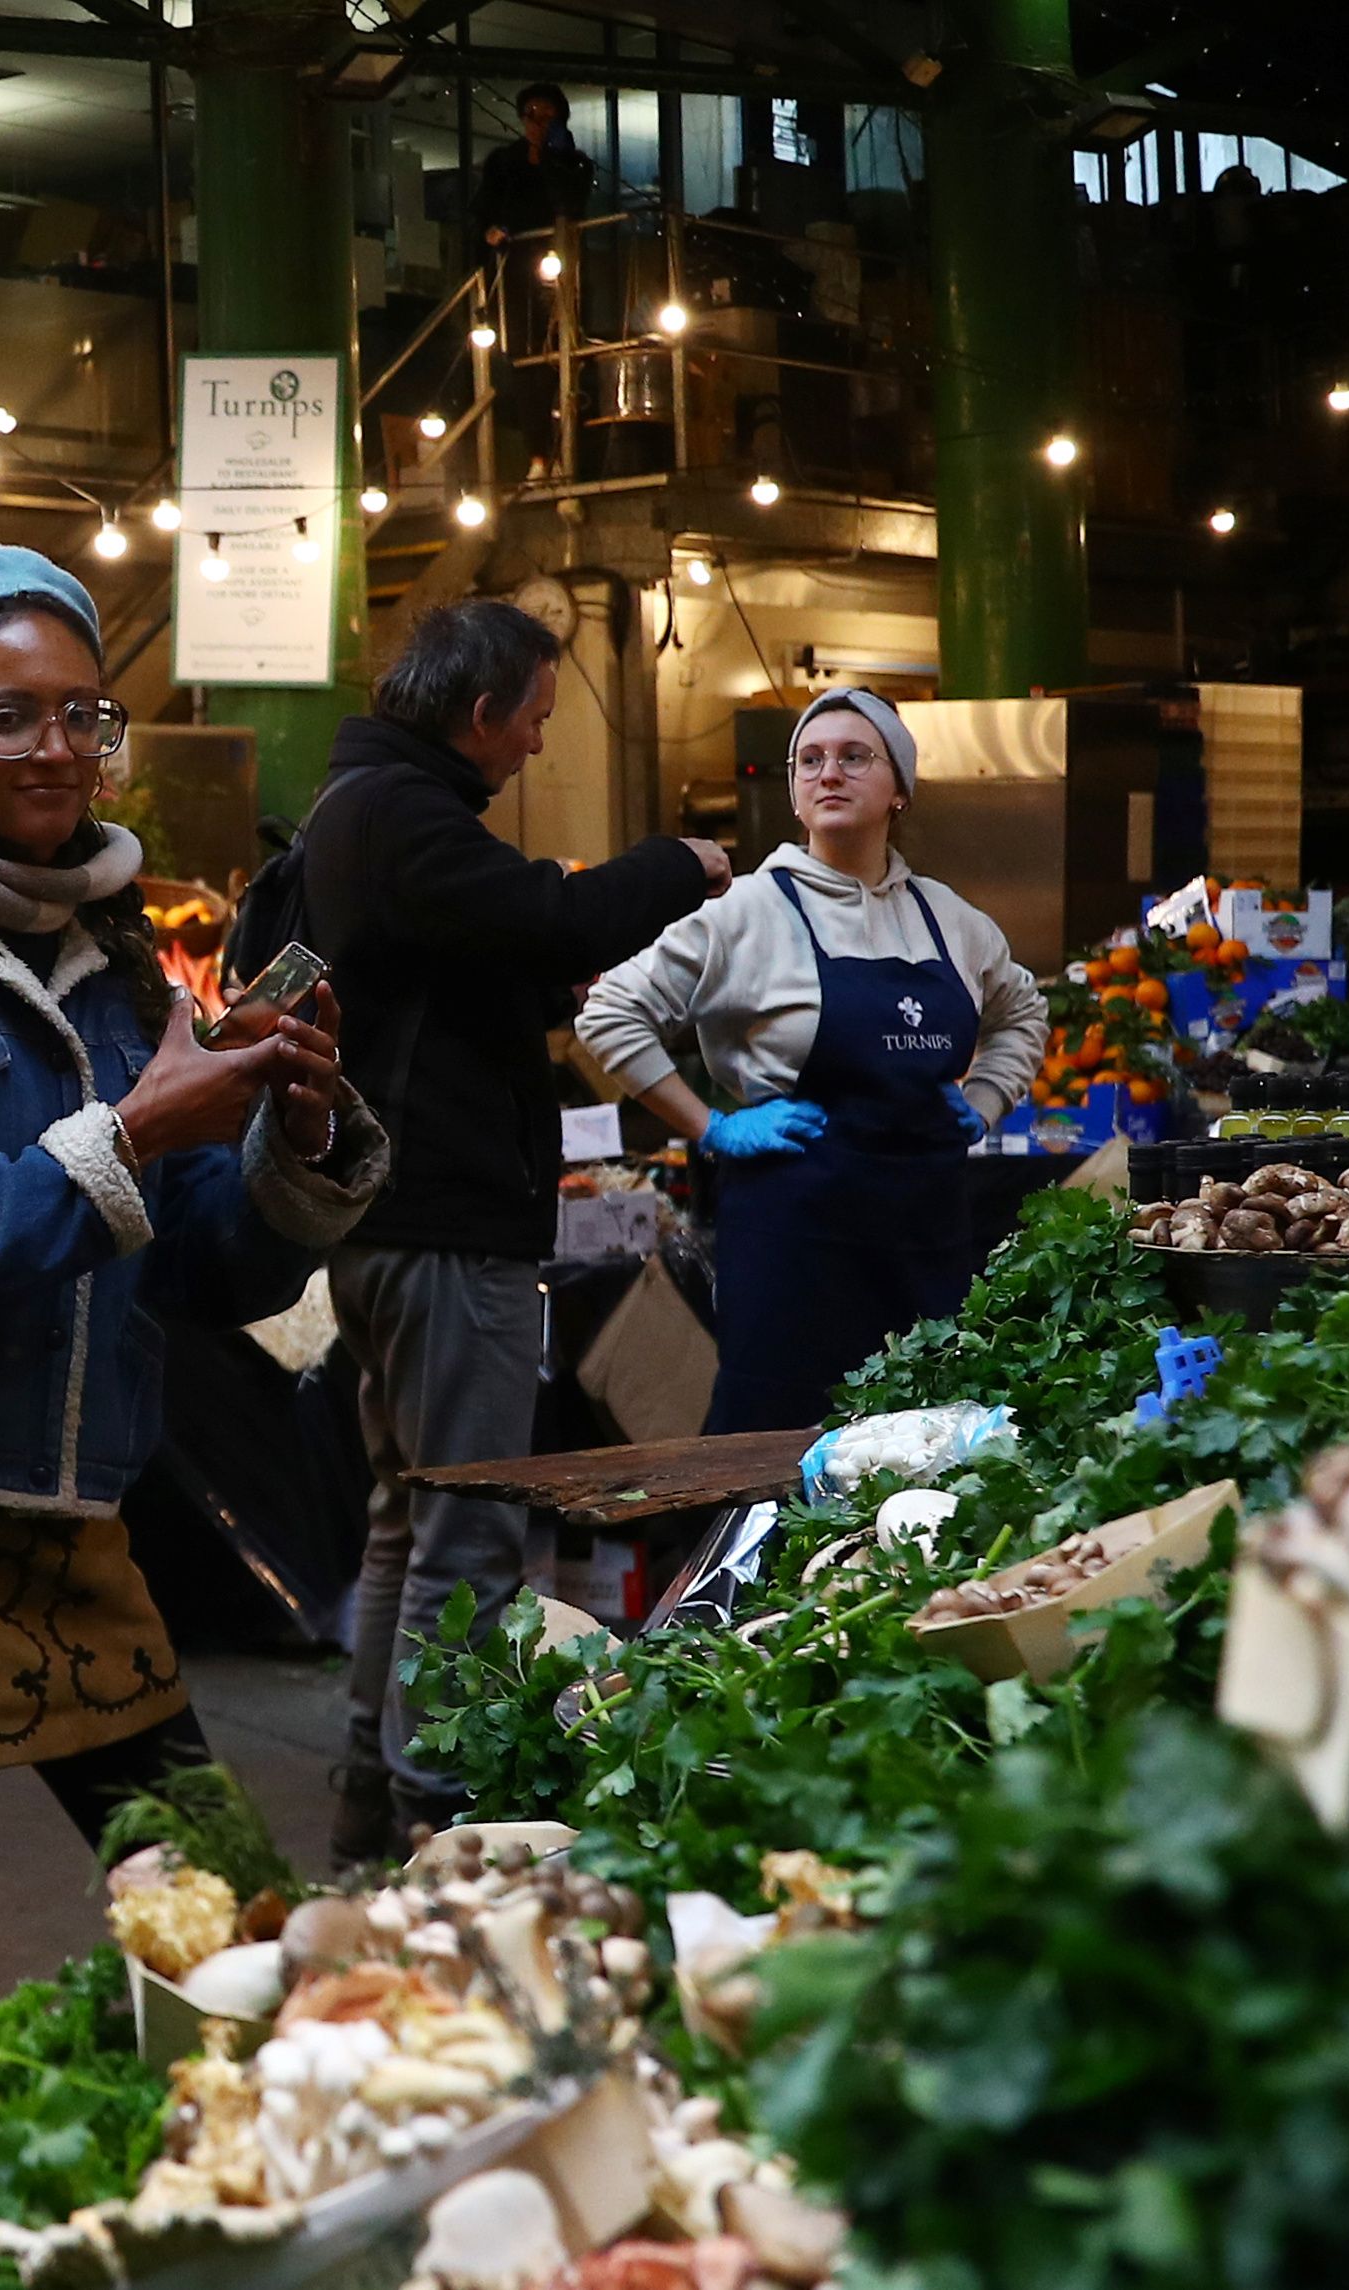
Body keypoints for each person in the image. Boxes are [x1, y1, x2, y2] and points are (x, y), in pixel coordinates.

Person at [0, 545, 388, 2114]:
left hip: (83, 1535)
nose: (51, 750)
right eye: (5, 715)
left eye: (80, 716)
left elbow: (180, 1271)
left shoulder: (112, 964)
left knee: (243, 1934)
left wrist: (289, 1145)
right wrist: (136, 1135)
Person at [298, 599, 731, 1864]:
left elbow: (472, 959)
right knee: (471, 1527)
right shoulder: (400, 815)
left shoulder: (369, 809)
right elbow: (553, 913)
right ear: (480, 713)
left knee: (407, 1515)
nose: (541, 744)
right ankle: (446, 1810)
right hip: (441, 1229)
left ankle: (371, 1793)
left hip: (393, 1224)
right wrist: (680, 865)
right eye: (537, 718)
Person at [576, 687, 1047, 1436]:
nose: (828, 773)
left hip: (924, 1240)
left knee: (924, 1447)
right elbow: (608, 1013)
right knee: (776, 1452)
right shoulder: (746, 912)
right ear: (795, 793)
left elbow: (1021, 1010)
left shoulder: (949, 918)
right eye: (810, 760)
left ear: (899, 788)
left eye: (854, 757)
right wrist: (712, 1126)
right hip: (795, 1245)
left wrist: (988, 1095)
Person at [475, 83, 597, 480]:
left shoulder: (573, 162)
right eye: (531, 114)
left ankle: (569, 452)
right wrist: (493, 230)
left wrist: (552, 158)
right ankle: (539, 456)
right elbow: (485, 208)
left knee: (569, 358)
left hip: (562, 266)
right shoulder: (502, 163)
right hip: (517, 272)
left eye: (547, 118)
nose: (537, 124)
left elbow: (568, 203)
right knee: (526, 359)